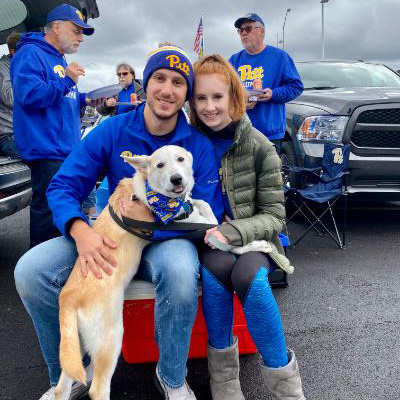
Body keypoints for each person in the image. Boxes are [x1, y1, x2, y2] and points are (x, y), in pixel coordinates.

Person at [14, 45, 224, 400]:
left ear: (186, 94)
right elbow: (64, 185)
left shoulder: (197, 146)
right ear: (146, 84)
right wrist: (80, 230)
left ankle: (172, 377)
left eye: (178, 82)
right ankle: (73, 373)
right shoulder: (112, 130)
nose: (167, 90)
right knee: (31, 270)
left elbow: (207, 209)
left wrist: (150, 217)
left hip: (167, 240)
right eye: (159, 78)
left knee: (179, 271)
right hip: (110, 240)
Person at [189, 54, 305, 400]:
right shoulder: (189, 142)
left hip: (255, 241)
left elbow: (274, 215)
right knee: (214, 279)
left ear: (233, 97)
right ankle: (225, 388)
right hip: (207, 241)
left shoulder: (258, 144)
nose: (209, 107)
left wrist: (235, 232)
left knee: (251, 280)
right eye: (201, 98)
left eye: (217, 97)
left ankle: (288, 391)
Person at [10, 4, 101, 248]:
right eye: (77, 31)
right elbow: (29, 95)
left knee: (65, 212)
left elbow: (63, 100)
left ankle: (58, 271)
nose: (81, 38)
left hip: (65, 150)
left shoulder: (58, 59)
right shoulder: (30, 53)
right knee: (49, 215)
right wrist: (67, 79)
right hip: (47, 151)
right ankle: (38, 276)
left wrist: (86, 99)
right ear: (57, 27)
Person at [229, 13, 304, 153]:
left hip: (270, 132)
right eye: (240, 30)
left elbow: (296, 86)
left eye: (248, 28)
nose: (243, 33)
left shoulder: (280, 57)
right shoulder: (233, 60)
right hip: (240, 130)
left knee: (268, 173)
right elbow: (224, 90)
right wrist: (238, 101)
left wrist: (273, 94)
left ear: (261, 31)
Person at [0, 32, 21, 157]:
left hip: (25, 133)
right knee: (47, 157)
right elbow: (10, 98)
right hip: (9, 136)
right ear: (13, 52)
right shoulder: (3, 68)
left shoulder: (22, 68)